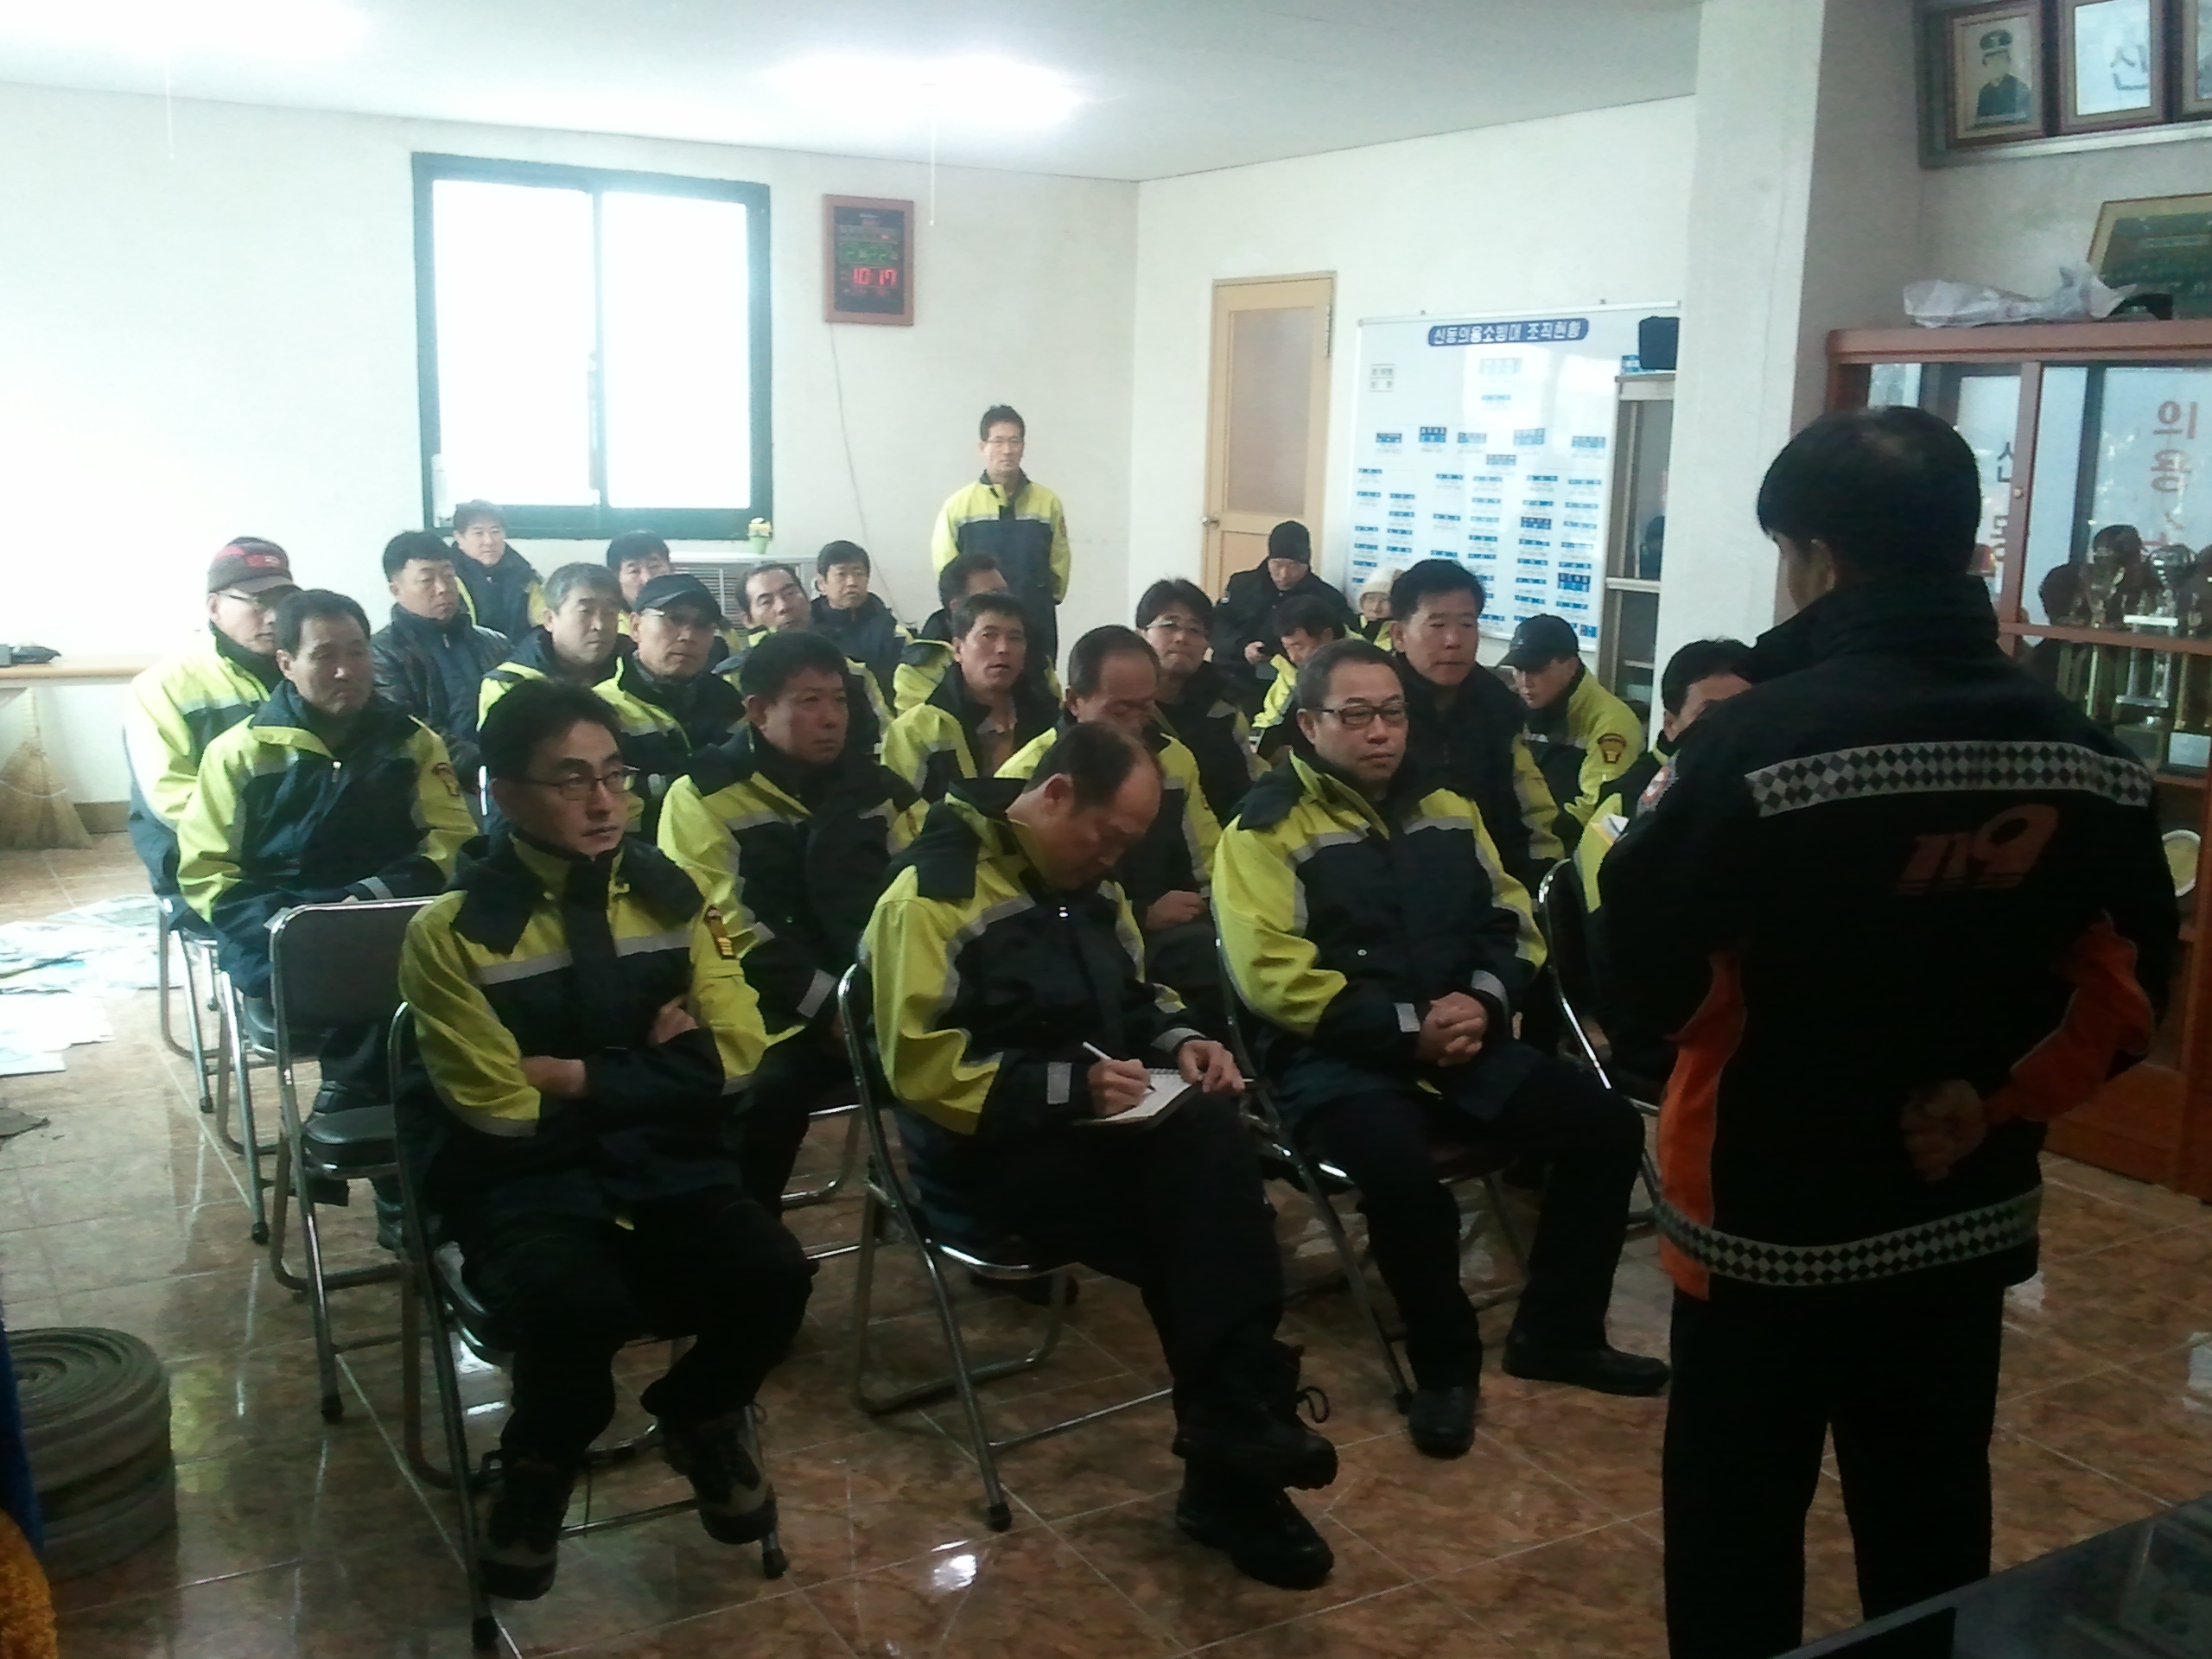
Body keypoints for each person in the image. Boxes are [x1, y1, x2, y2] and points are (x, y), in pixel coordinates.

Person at [1599, 407, 2177, 1659]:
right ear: (1964, 546)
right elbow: (2126, 990)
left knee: (1737, 1524)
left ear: (1815, 559)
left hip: (1763, 1212)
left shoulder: (1753, 746)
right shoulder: (2084, 755)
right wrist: (1989, 1096)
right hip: (1956, 1202)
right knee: (1928, 1518)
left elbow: (1640, 969)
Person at [863, 724, 1339, 1588]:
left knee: (1208, 1157)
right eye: (1108, 836)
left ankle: (1234, 1444)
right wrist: (1067, 1089)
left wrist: (1182, 1038)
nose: (1116, 859)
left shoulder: (1088, 887)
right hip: (985, 1154)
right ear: (1053, 797)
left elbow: (1134, 996)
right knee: (1203, 1221)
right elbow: (922, 1072)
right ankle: (1235, 1457)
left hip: (1093, 1131)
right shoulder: (930, 897)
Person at [397, 678, 811, 1603]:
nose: (602, 802)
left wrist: (576, 1076)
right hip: (525, 1181)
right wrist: (662, 1069)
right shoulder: (452, 932)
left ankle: (700, 1414)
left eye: (615, 776)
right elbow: (499, 1110)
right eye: (571, 779)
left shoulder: (674, 899)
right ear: (506, 793)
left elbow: (740, 1056)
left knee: (776, 1276)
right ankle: (538, 1463)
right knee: (574, 1305)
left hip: (667, 1167)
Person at [1216, 637, 1666, 1460]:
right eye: (1356, 715)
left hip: (1460, 1039)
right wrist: (1405, 1028)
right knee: (1400, 1172)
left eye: (1392, 713)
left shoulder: (1448, 806)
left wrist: (1482, 1004)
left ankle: (1558, 1333)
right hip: (1336, 1058)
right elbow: (1272, 977)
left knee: (1606, 1126)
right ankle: (1445, 1367)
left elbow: (1512, 922)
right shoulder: (1263, 829)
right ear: (1309, 724)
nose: (1380, 732)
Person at [176, 589, 474, 1109]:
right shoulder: (239, 753)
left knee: (451, 968)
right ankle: (363, 1108)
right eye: (324, 655)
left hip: (387, 912)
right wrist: (295, 922)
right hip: (279, 929)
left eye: (357, 652)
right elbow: (207, 871)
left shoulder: (412, 743)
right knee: (376, 981)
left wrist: (367, 898)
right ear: (286, 663)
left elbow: (451, 842)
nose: (345, 671)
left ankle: (372, 1108)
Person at [659, 630, 923, 1213]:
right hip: (766, 1007)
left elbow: (924, 894)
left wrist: (879, 998)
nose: (831, 718)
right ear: (758, 711)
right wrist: (830, 1006)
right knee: (765, 1090)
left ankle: (953, 1211)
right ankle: (746, 1229)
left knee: (982, 1052)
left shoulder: (879, 790)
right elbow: (722, 926)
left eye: (839, 700)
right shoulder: (703, 794)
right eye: (809, 701)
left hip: (873, 996)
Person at [996, 626, 1224, 1025]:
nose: (1135, 725)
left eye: (1145, 708)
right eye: (1119, 711)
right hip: (1073, 939)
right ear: (1075, 701)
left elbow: (1207, 858)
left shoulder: (1172, 760)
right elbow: (1016, 904)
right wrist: (1139, 914)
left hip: (1171, 927)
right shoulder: (1028, 778)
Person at [1567, 638, 1751, 1088]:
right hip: (1664, 1028)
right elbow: (1616, 953)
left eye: (1747, 711)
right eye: (1711, 715)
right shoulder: (1627, 808)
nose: (1733, 728)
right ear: (1670, 724)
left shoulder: (1746, 791)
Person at [125, 539, 299, 901]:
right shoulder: (164, 686)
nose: (273, 616)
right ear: (214, 607)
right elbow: (172, 799)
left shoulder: (302, 671)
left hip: (296, 846)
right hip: (204, 855)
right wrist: (276, 834)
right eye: (258, 602)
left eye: (282, 602)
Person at [1389, 559, 1562, 896]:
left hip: (1492, 892)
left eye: (1467, 624)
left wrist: (1541, 888)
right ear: (1399, 635)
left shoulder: (1497, 705)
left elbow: (1533, 810)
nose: (1454, 640)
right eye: (1437, 625)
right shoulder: (1374, 707)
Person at [594, 573, 743, 834]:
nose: (688, 636)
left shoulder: (728, 700)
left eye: (703, 625)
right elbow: (607, 807)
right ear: (636, 627)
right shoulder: (600, 709)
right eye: (674, 619)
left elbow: (750, 783)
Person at [931, 404, 1070, 669]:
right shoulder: (958, 506)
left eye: (1015, 441)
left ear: (1023, 447)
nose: (1007, 450)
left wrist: (1044, 600)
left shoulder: (1048, 503)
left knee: (1039, 685)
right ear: (982, 447)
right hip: (980, 628)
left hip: (1035, 622)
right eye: (998, 441)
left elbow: (1059, 563)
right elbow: (948, 573)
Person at [880, 592, 1056, 801]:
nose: (1003, 648)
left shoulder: (1049, 716)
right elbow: (904, 811)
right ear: (957, 649)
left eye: (1015, 638)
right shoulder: (914, 731)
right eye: (988, 636)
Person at [372, 531, 511, 791]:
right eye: (427, 580)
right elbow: (408, 725)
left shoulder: (494, 643)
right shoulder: (381, 652)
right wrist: (482, 768)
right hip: (433, 783)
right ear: (396, 590)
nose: (443, 588)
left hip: (506, 774)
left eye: (448, 576)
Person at [1503, 613, 1645, 849]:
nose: (1526, 682)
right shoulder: (1512, 707)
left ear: (1571, 667)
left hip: (1573, 845)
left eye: (1538, 669)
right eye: (1519, 669)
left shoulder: (1612, 723)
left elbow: (1598, 807)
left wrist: (1541, 831)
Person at [724, 563, 887, 754]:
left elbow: (887, 739)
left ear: (808, 600)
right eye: (766, 601)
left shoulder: (853, 672)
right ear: (748, 620)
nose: (784, 607)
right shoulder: (731, 680)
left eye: (790, 593)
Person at [1138, 579, 1262, 823]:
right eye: (1169, 625)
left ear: (1207, 644)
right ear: (1141, 635)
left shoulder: (1224, 708)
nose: (1182, 637)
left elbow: (1253, 783)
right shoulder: (1124, 707)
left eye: (1195, 630)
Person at [1211, 523, 1356, 714]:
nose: (1284, 575)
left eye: (1293, 566)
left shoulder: (1327, 598)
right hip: (1231, 673)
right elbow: (1216, 624)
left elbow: (1343, 642)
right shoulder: (1242, 584)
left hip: (1289, 684)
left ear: (1306, 563)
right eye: (1277, 565)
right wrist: (1243, 647)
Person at [479, 563, 625, 724]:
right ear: (549, 619)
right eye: (585, 612)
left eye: (610, 613)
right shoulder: (509, 684)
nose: (600, 625)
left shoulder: (634, 669)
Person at [898, 550, 1008, 708]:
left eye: (1005, 593)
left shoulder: (1027, 644)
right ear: (957, 607)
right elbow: (921, 723)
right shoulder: (918, 668)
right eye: (991, 597)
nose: (1005, 602)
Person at [809, 540, 910, 707]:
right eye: (841, 574)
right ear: (821, 584)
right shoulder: (808, 634)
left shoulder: (894, 634)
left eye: (858, 573)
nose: (852, 582)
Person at [1250, 595, 1346, 761]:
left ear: (1327, 635)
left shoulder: (1363, 664)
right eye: (1288, 647)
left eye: (1299, 646)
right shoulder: (1293, 666)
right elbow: (1272, 717)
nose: (1293, 657)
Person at [449, 500, 544, 644]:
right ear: (459, 538)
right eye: (478, 533)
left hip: (517, 655)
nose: (489, 541)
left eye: (495, 532)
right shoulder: (446, 579)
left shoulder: (525, 576)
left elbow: (544, 625)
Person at [1974, 28, 2032, 126]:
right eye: (1992, 60)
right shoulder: (1985, 92)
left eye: (2001, 59)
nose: (1996, 65)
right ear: (1985, 65)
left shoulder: (2020, 89)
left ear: (2008, 62)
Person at [606, 531, 675, 610]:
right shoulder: (605, 617)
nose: (647, 579)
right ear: (615, 579)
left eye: (654, 566)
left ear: (672, 570)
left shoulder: (686, 610)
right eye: (634, 571)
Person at [1354, 570, 1395, 644]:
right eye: (1371, 599)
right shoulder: (1348, 628)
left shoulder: (1402, 636)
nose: (1375, 608)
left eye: (1384, 600)